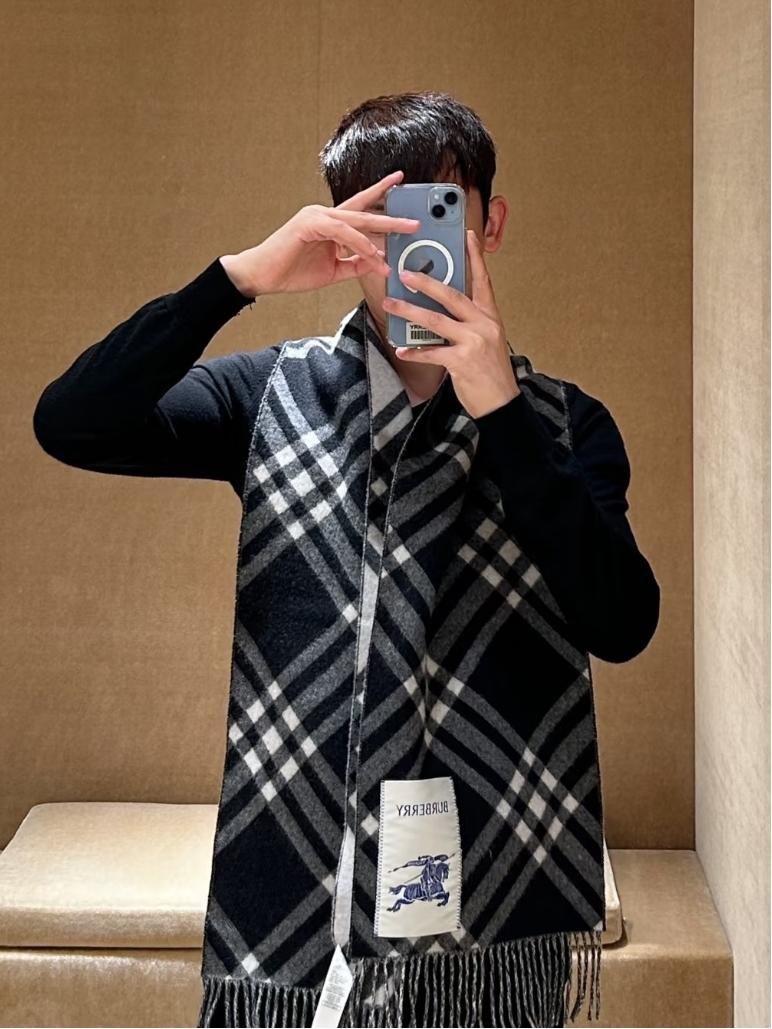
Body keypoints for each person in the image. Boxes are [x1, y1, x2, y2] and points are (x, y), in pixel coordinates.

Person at [33, 91, 659, 1027]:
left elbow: (623, 622)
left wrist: (501, 413)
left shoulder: (563, 425)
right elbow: (71, 421)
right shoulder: (271, 396)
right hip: (302, 873)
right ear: (342, 237)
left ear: (489, 224)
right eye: (380, 224)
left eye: (436, 216)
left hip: (489, 891)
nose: (411, 252)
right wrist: (237, 279)